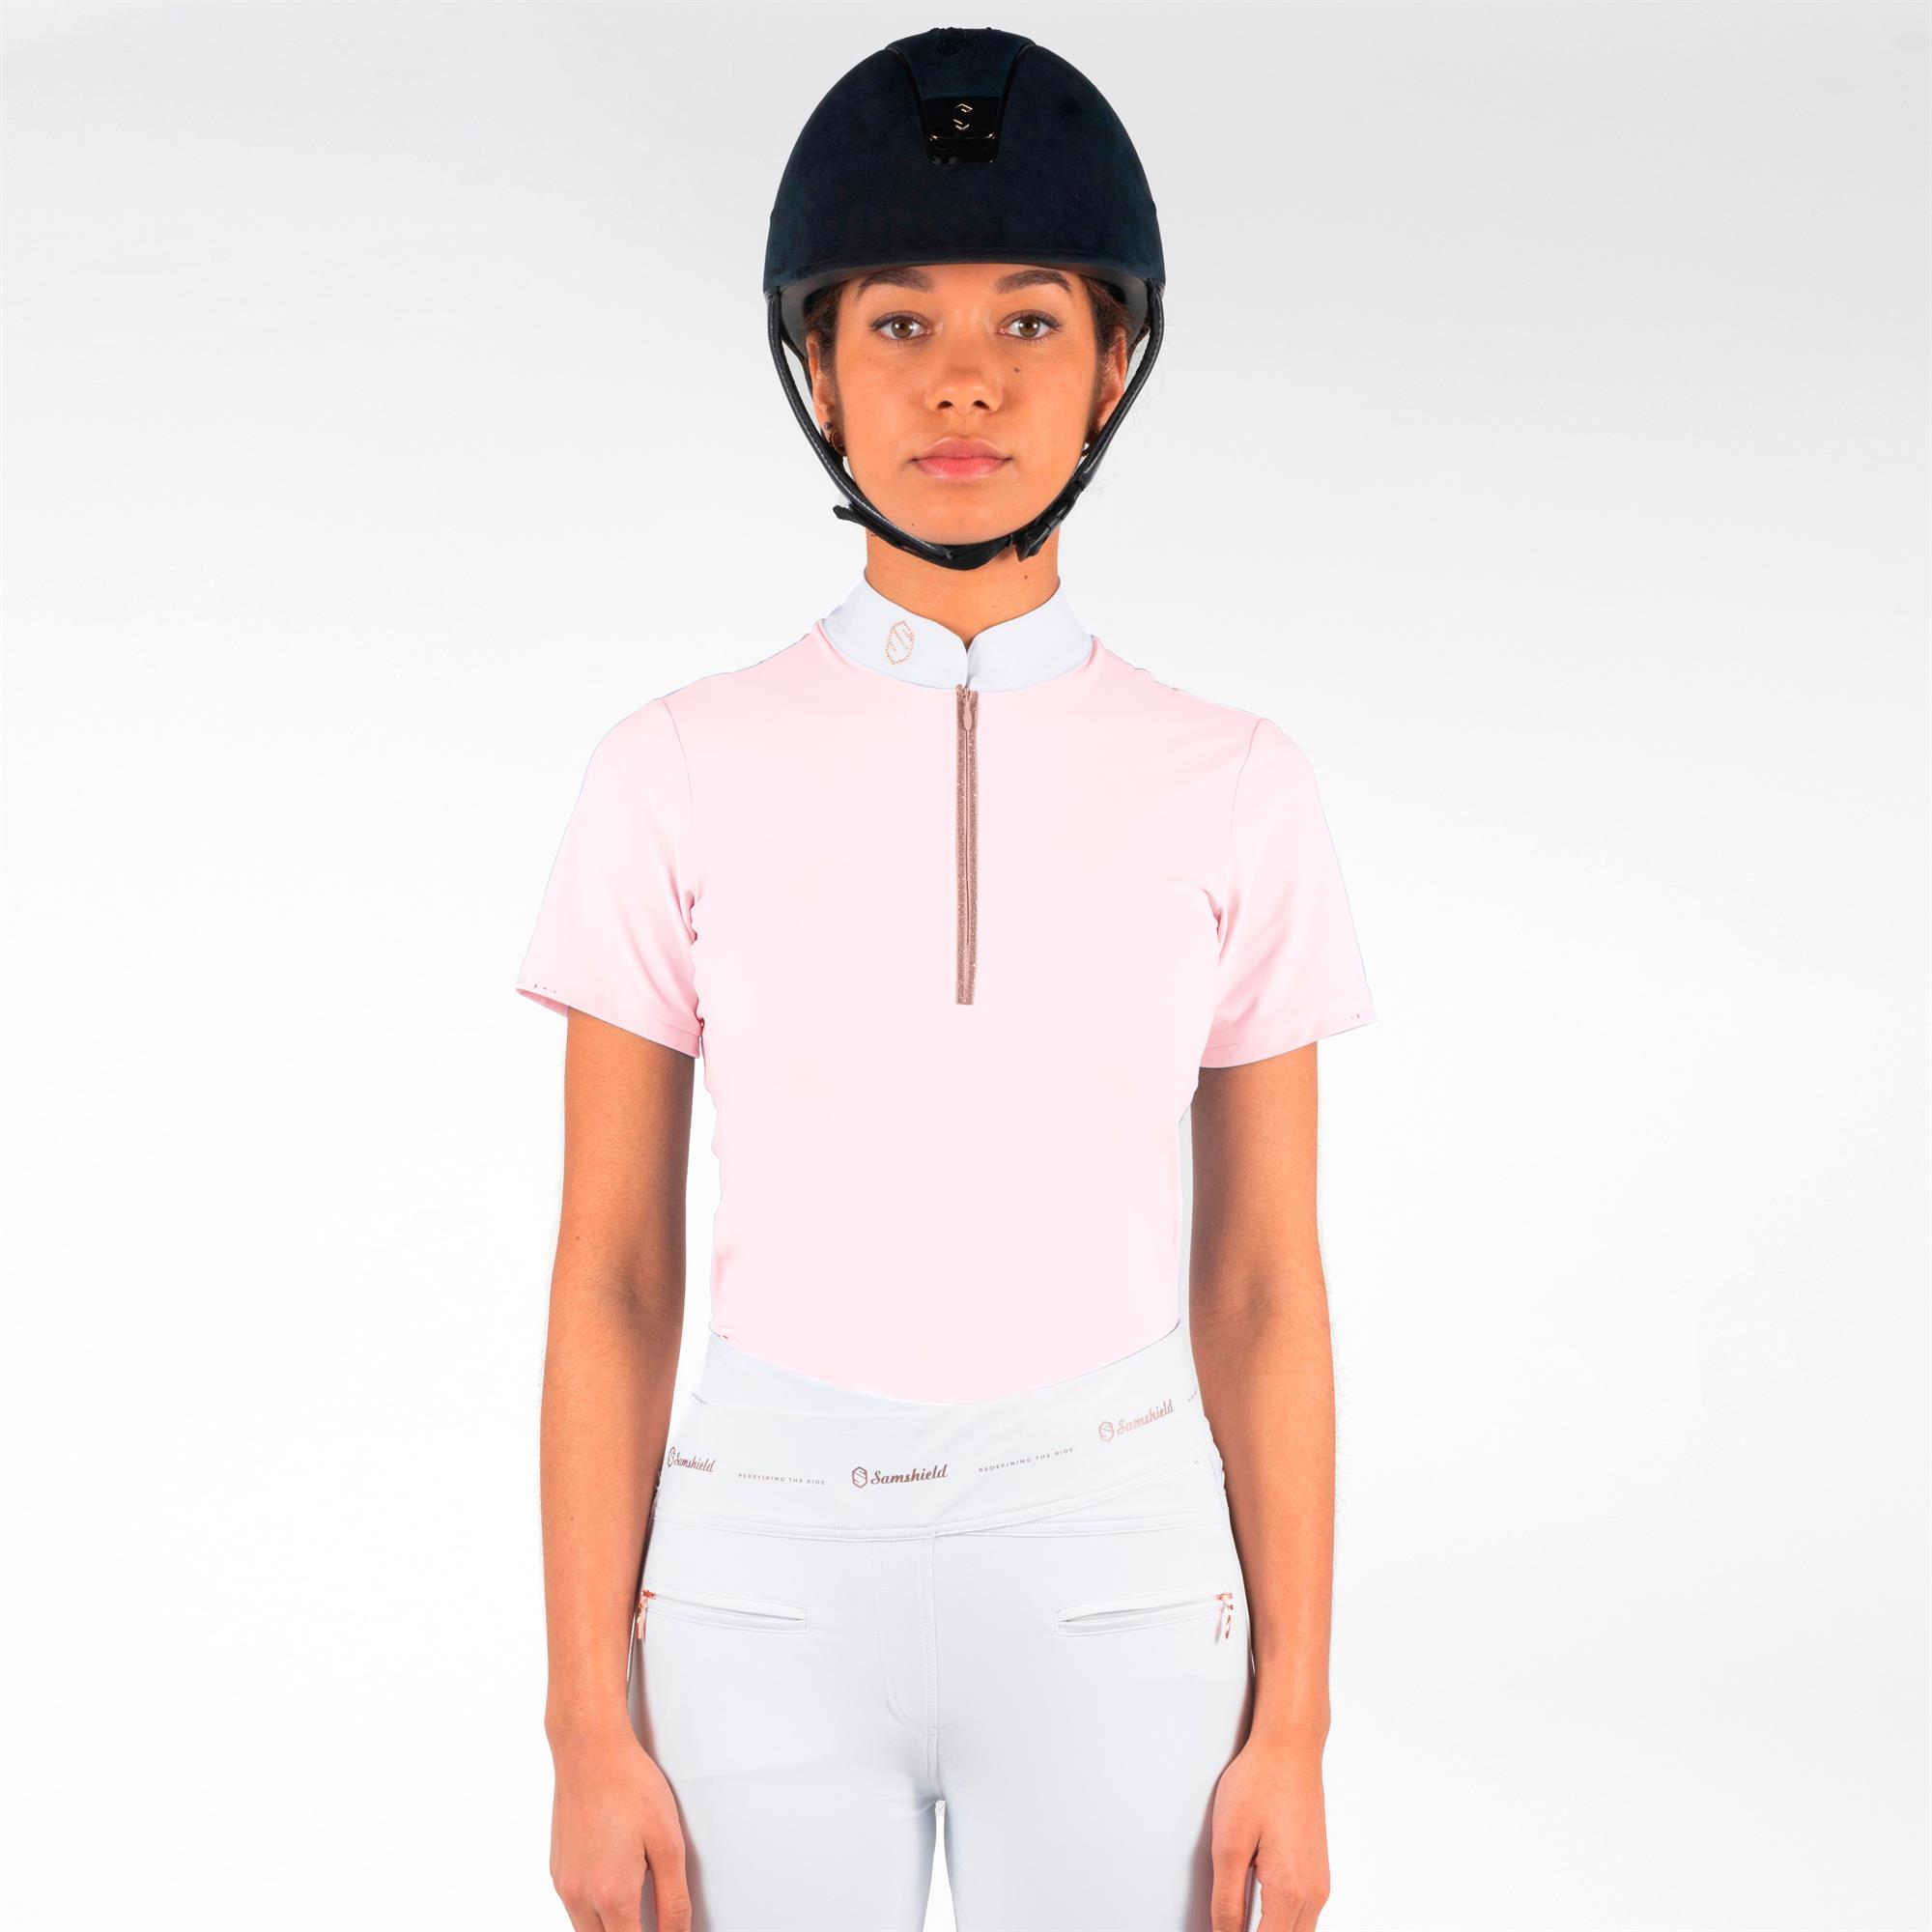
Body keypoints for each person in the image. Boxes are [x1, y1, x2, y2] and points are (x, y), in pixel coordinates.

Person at [516, 25, 1376, 1932]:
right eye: (898, 321)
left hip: (1117, 1574)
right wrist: (582, 1720)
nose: (964, 376)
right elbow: (614, 1272)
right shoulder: (670, 768)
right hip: (756, 1580)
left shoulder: (1239, 782)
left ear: (1115, 363)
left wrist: (1298, 1724)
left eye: (1029, 320)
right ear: (817, 367)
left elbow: (1260, 1285)